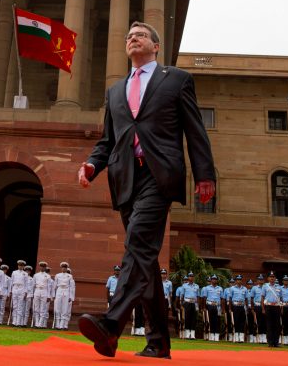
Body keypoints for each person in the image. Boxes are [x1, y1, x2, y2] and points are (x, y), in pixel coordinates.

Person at [77, 21, 216, 360]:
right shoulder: (115, 91)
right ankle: (158, 342)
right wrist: (93, 165)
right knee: (146, 261)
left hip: (159, 174)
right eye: (128, 37)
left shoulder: (177, 79)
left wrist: (204, 174)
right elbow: (109, 140)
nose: (132, 39)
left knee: (138, 242)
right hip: (126, 178)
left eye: (139, 35)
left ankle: (111, 324)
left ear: (155, 47)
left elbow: (194, 130)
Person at [261, 272, 282, 347]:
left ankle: (276, 342)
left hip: (276, 307)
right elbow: (262, 298)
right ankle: (270, 342)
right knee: (269, 325)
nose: (272, 278)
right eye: (270, 277)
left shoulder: (279, 287)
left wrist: (281, 308)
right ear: (268, 278)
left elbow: (281, 298)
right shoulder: (265, 286)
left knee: (277, 325)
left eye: (273, 277)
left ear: (275, 278)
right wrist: (263, 309)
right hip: (268, 306)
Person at [53, 261, 75, 329]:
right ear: (61, 268)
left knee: (64, 309)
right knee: (57, 308)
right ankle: (57, 325)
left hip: (66, 292)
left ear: (67, 268)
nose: (63, 269)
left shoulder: (70, 276)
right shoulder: (57, 275)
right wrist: (53, 295)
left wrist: (71, 297)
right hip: (59, 291)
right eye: (62, 267)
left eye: (65, 268)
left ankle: (62, 325)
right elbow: (54, 286)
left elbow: (71, 287)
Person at [201, 274, 223, 341]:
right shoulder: (207, 288)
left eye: (215, 279)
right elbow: (204, 298)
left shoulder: (220, 288)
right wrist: (204, 307)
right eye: (213, 279)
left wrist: (221, 308)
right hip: (209, 305)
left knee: (217, 321)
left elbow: (222, 299)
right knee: (209, 320)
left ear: (217, 280)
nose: (214, 280)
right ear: (211, 280)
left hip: (217, 306)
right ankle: (210, 334)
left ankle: (216, 335)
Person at [178, 272, 199, 340]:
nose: (191, 277)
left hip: (194, 303)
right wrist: (181, 305)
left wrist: (198, 305)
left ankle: (192, 334)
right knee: (187, 318)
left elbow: (198, 297)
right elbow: (182, 296)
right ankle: (187, 334)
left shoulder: (196, 286)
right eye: (190, 276)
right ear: (188, 277)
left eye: (192, 276)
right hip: (186, 302)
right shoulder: (184, 286)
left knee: (193, 318)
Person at [10, 259, 28, 326]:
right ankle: (14, 322)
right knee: (14, 306)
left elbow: (26, 284)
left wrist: (25, 292)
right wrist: (11, 291)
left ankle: (18, 322)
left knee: (20, 306)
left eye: (21, 265)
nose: (20, 266)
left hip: (21, 289)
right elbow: (11, 282)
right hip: (15, 288)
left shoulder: (25, 274)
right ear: (18, 265)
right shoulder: (14, 272)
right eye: (19, 265)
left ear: (23, 266)